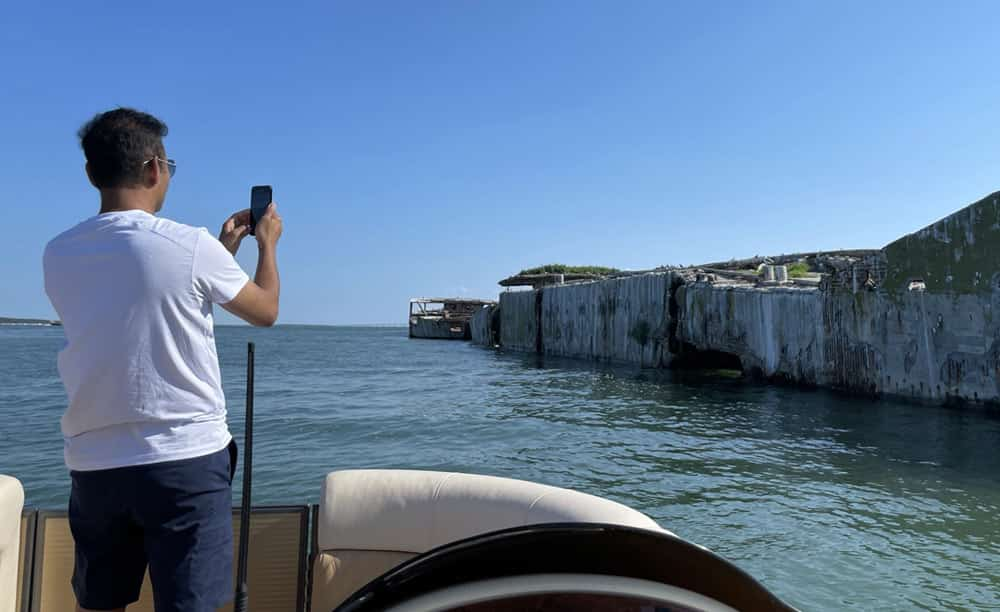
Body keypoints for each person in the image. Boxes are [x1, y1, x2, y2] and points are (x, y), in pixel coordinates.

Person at [42, 107, 283, 612]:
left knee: (102, 603)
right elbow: (265, 310)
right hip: (184, 461)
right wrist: (266, 246)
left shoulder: (58, 253)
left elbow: (137, 295)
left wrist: (220, 252)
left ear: (92, 174)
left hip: (95, 464)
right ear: (155, 168)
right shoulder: (190, 245)